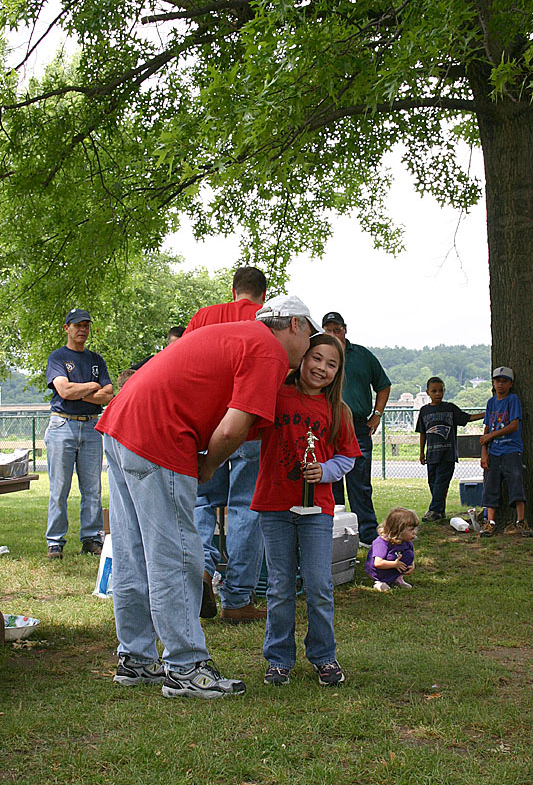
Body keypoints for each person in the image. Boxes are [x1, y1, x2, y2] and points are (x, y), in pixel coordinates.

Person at [95, 294, 320, 700]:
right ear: (295, 326)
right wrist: (209, 464)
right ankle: (185, 666)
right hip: (158, 435)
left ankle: (137, 659)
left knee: (132, 553)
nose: (308, 350)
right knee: (176, 555)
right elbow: (233, 429)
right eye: (310, 336)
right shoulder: (268, 350)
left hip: (122, 422)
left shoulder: (240, 334)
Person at [250, 334, 360, 687]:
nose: (322, 368)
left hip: (318, 510)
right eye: (316, 358)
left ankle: (324, 657)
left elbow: (346, 457)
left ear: (338, 372)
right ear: (302, 358)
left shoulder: (338, 411)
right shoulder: (275, 396)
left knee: (319, 585)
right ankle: (279, 659)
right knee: (280, 585)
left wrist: (325, 471)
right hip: (274, 503)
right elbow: (247, 426)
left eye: (332, 364)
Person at [183, 266, 268, 623]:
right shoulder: (267, 319)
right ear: (263, 294)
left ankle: (202, 571)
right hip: (251, 423)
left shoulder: (204, 316)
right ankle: (237, 600)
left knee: (203, 502)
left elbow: (182, 361)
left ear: (233, 290)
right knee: (246, 508)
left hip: (206, 424)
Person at [44, 309, 113, 560]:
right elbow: (63, 390)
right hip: (63, 425)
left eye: (86, 325)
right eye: (77, 325)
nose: (82, 329)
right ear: (67, 328)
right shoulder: (58, 357)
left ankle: (91, 539)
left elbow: (108, 394)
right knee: (59, 488)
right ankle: (55, 542)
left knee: (93, 488)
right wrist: (93, 387)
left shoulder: (96, 360)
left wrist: (78, 391)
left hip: (92, 426)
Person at [322, 311, 391, 546]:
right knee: (330, 483)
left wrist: (377, 415)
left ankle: (368, 533)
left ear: (345, 329)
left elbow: (383, 385)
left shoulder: (362, 356)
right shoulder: (316, 355)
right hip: (327, 429)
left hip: (358, 428)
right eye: (327, 330)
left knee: (360, 483)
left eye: (336, 329)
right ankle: (333, 530)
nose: (332, 334)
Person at [416, 377, 484, 521]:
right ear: (428, 392)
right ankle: (440, 512)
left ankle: (433, 511)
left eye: (441, 390)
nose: (438, 394)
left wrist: (486, 413)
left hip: (447, 454)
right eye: (434, 391)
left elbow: (467, 418)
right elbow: (423, 433)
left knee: (442, 482)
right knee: (433, 483)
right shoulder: (424, 411)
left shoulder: (450, 408)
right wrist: (421, 452)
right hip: (432, 455)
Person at [479, 367, 530, 537]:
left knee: (516, 481)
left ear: (510, 384)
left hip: (511, 449)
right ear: (493, 383)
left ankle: (521, 521)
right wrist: (484, 451)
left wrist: (491, 436)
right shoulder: (491, 402)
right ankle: (490, 522)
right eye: (497, 381)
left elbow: (514, 425)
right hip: (494, 451)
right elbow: (486, 428)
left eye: (505, 381)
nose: (501, 384)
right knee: (491, 485)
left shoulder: (512, 400)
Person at [365, 508, 419, 592]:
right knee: (392, 556)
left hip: (395, 565)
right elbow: (378, 563)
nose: (415, 532)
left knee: (408, 554)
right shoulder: (382, 543)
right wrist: (394, 564)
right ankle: (380, 582)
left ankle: (397, 579)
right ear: (398, 530)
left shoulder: (406, 541)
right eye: (411, 529)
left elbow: (411, 556)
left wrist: (411, 565)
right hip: (380, 571)